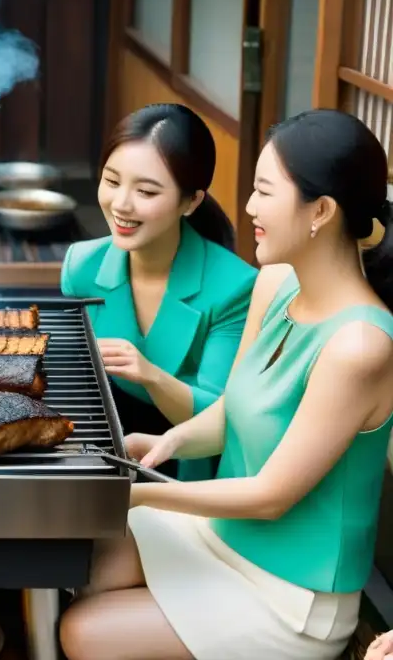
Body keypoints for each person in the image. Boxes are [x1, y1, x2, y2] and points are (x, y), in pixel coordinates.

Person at [59, 109, 393, 660]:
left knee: (83, 631)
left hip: (291, 596)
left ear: (322, 211)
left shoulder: (359, 346)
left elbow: (271, 496)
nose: (248, 207)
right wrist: (168, 444)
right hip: (222, 538)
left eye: (264, 191)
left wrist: (136, 492)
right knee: (83, 561)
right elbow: (234, 406)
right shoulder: (277, 282)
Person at [60, 104, 257, 481]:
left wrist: (150, 375)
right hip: (102, 456)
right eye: (112, 181)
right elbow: (79, 388)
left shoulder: (236, 287)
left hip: (190, 469)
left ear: (192, 201)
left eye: (146, 191)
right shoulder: (81, 266)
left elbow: (221, 417)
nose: (121, 204)